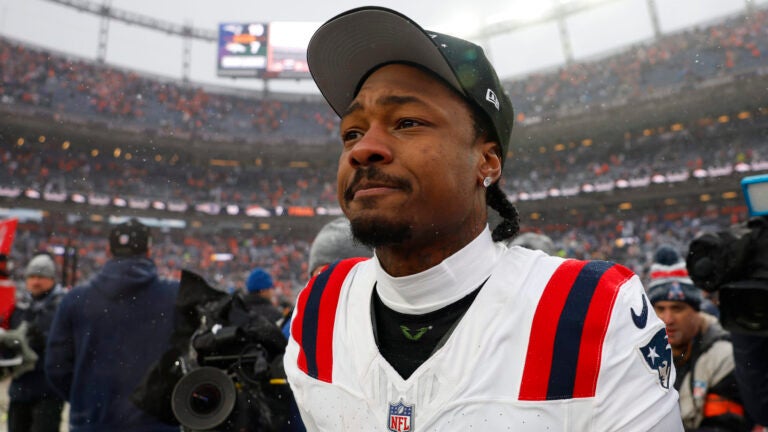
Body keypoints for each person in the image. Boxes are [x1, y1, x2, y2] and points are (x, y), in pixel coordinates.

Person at [284, 6, 682, 431]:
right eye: (352, 132)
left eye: (406, 122)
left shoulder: (592, 309)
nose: (363, 149)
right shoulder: (319, 304)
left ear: (487, 162)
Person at [45, 218, 179, 432]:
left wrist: (86, 398)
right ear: (148, 251)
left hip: (93, 422)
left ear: (108, 250)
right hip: (156, 424)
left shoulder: (76, 299)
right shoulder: (176, 296)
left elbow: (56, 366)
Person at [648, 249, 748, 431]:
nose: (668, 319)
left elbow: (725, 427)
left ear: (696, 311)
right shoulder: (639, 356)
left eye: (677, 308)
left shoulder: (724, 357)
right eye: (660, 309)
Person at [6, 253, 66, 432]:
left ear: (52, 279)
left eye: (41, 277)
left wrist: (45, 341)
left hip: (49, 390)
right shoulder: (19, 307)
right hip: (20, 388)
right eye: (31, 277)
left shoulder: (62, 308)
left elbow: (68, 346)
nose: (35, 282)